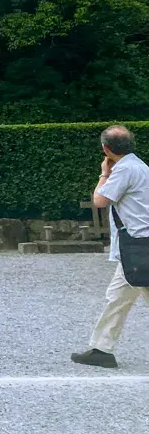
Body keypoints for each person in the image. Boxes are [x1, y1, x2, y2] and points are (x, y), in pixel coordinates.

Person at [72, 125, 149, 368]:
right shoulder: (141, 166)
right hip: (139, 245)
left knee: (119, 296)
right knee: (118, 297)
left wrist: (103, 173)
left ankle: (102, 349)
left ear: (106, 149)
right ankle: (101, 348)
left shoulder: (124, 170)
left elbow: (100, 200)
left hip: (136, 247)